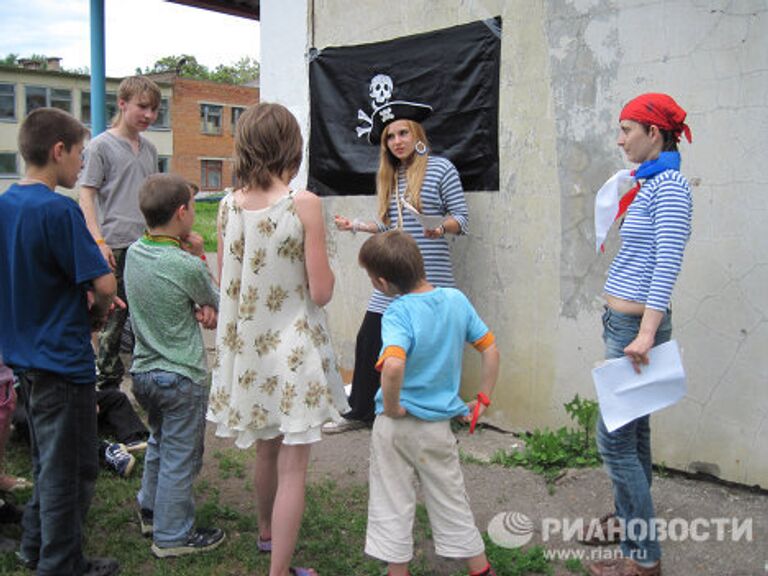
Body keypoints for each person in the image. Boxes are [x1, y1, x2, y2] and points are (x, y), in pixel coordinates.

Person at [207, 102, 349, 576]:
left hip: (248, 351)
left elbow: (229, 278)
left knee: (266, 448)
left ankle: (266, 532)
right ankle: (280, 571)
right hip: (292, 351)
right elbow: (322, 291)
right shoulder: (302, 203)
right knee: (294, 467)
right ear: (292, 147)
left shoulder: (227, 205)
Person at [0, 107, 120, 575]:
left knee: (47, 461)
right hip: (63, 362)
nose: (82, 167)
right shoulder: (60, 211)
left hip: (23, 357)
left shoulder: (6, 204)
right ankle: (61, 563)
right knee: (70, 470)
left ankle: (34, 546)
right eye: (80, 156)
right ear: (58, 151)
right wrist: (98, 314)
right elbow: (105, 286)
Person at [588, 93, 693, 576]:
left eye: (627, 128)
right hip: (624, 323)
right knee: (636, 433)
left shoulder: (669, 186)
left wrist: (646, 333)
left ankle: (644, 559)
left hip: (635, 328)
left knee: (613, 441)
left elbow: (667, 263)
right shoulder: (647, 183)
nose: (620, 137)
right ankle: (633, 531)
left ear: (655, 133)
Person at [358, 230, 499, 576]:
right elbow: (490, 349)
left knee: (393, 499)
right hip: (437, 428)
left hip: (395, 427)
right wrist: (482, 399)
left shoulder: (397, 312)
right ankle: (480, 569)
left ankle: (398, 572)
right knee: (451, 496)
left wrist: (391, 407)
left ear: (381, 281)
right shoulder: (455, 300)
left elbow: (392, 365)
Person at [326, 100, 469, 433]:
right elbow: (386, 224)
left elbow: (462, 220)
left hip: (430, 277)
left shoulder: (442, 169)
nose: (397, 141)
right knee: (369, 339)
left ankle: (439, 413)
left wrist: (439, 227)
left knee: (431, 346)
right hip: (394, 276)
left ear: (417, 134)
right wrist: (356, 226)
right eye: (390, 137)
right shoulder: (389, 175)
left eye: (403, 133)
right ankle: (361, 412)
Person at [124, 173, 222, 558]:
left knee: (159, 443)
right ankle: (172, 535)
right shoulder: (186, 264)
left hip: (144, 374)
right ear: (182, 212)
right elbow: (215, 295)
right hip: (181, 376)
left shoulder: (134, 252)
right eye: (193, 208)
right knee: (182, 456)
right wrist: (198, 253)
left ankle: (151, 509)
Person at [79, 75, 162, 390]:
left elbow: (154, 196)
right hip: (112, 244)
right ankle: (105, 382)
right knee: (111, 317)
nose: (149, 116)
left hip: (146, 243)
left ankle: (143, 377)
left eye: (154, 110)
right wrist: (97, 241)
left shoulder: (149, 149)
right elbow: (86, 194)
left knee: (142, 312)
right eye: (143, 107)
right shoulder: (100, 145)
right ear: (123, 103)